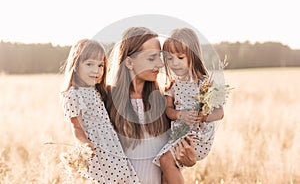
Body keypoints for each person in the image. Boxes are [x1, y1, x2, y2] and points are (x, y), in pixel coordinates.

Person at [106, 27, 197, 184]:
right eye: (152, 58)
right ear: (129, 62)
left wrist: (187, 160)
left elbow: (171, 159)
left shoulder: (165, 104)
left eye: (160, 57)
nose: (161, 64)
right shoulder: (106, 102)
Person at [60, 39, 140, 183]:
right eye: (89, 64)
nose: (96, 70)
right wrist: (85, 143)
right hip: (97, 148)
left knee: (124, 178)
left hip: (112, 144)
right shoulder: (73, 94)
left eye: (100, 65)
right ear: (76, 65)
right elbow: (76, 127)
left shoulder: (96, 90)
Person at [153, 28, 224, 184]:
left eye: (180, 57)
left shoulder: (205, 84)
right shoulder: (173, 86)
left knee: (165, 160)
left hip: (198, 138)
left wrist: (204, 116)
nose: (174, 63)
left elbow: (220, 113)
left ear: (193, 55)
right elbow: (169, 111)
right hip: (179, 135)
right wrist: (180, 115)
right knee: (165, 175)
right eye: (169, 58)